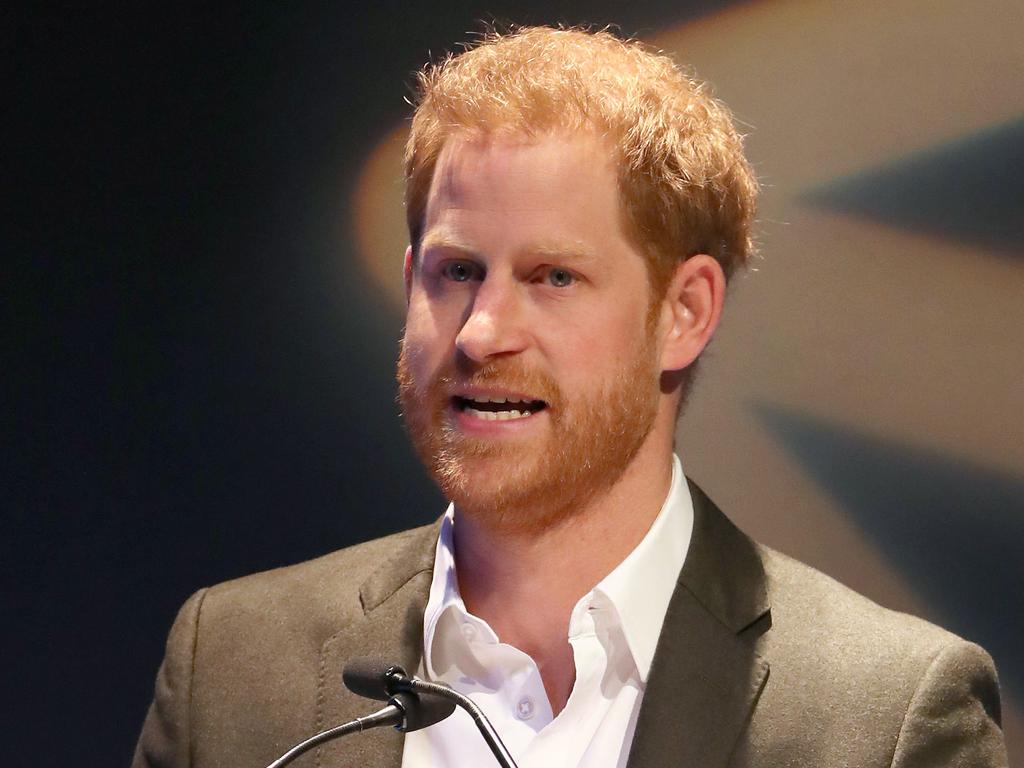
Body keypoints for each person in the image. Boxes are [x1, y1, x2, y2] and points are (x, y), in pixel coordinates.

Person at [133, 26, 1008, 768]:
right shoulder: (231, 667)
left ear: (685, 312)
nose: (480, 332)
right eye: (456, 272)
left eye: (553, 276)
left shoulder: (886, 716)